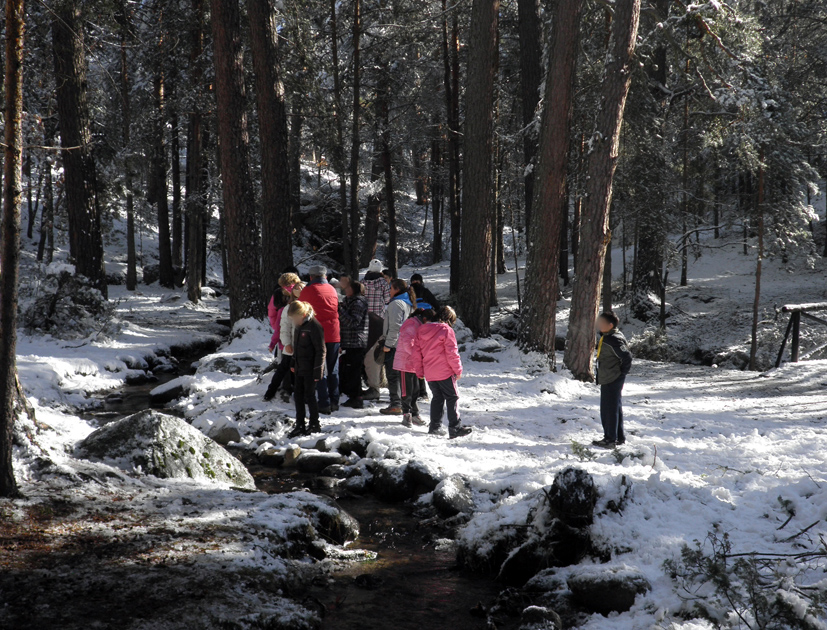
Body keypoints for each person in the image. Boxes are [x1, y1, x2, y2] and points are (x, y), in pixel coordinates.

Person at [411, 306, 472, 439]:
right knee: (452, 397)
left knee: (437, 398)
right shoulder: (446, 330)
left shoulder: (421, 330)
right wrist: (458, 370)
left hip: (430, 373)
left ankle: (435, 427)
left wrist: (419, 371)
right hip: (445, 372)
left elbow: (416, 353)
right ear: (449, 319)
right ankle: (455, 428)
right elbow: (452, 353)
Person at [299, 265, 341, 414]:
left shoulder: (307, 291)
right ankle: (334, 401)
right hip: (334, 333)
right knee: (333, 367)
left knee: (319, 368)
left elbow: (301, 311)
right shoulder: (332, 289)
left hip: (317, 333)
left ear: (311, 277)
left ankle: (323, 403)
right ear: (325, 276)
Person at [591, 311, 633, 449]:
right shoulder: (608, 336)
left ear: (610, 325)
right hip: (609, 376)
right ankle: (618, 437)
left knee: (609, 409)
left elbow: (627, 357)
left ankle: (609, 440)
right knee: (615, 407)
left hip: (612, 377)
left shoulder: (613, 339)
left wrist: (621, 373)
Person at [288, 301, 326, 438]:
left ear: (303, 314)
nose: (295, 321)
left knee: (310, 396)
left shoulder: (314, 326)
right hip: (299, 366)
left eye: (295, 318)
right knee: (298, 395)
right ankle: (300, 424)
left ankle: (314, 424)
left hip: (310, 368)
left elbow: (321, 350)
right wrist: (293, 362)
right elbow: (297, 346)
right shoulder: (299, 327)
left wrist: (317, 370)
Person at [393, 308, 435, 427]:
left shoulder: (419, 325)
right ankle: (406, 414)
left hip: (414, 364)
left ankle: (415, 413)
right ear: (425, 319)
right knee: (407, 391)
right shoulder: (411, 325)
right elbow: (408, 345)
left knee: (416, 390)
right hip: (405, 363)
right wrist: (420, 355)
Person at [380, 279, 416, 415]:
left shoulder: (396, 303)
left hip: (395, 345)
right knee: (401, 376)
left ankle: (395, 404)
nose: (389, 291)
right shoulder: (409, 303)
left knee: (393, 375)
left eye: (390, 288)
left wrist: (388, 344)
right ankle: (403, 403)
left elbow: (395, 327)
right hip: (405, 344)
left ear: (396, 289)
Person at [264, 280, 304, 402]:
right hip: (289, 345)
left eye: (302, 288)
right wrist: (278, 343)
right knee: (284, 368)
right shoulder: (286, 308)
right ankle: (271, 392)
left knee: (300, 370)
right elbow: (280, 329)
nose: (300, 290)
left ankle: (300, 394)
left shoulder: (309, 307)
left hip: (303, 345)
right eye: (297, 288)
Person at [338, 280, 369, 409]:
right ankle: (351, 395)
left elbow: (353, 322)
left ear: (354, 289)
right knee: (349, 370)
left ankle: (357, 398)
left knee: (355, 372)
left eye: (348, 287)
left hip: (356, 341)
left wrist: (339, 310)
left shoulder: (358, 302)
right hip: (349, 341)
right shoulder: (349, 301)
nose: (345, 289)